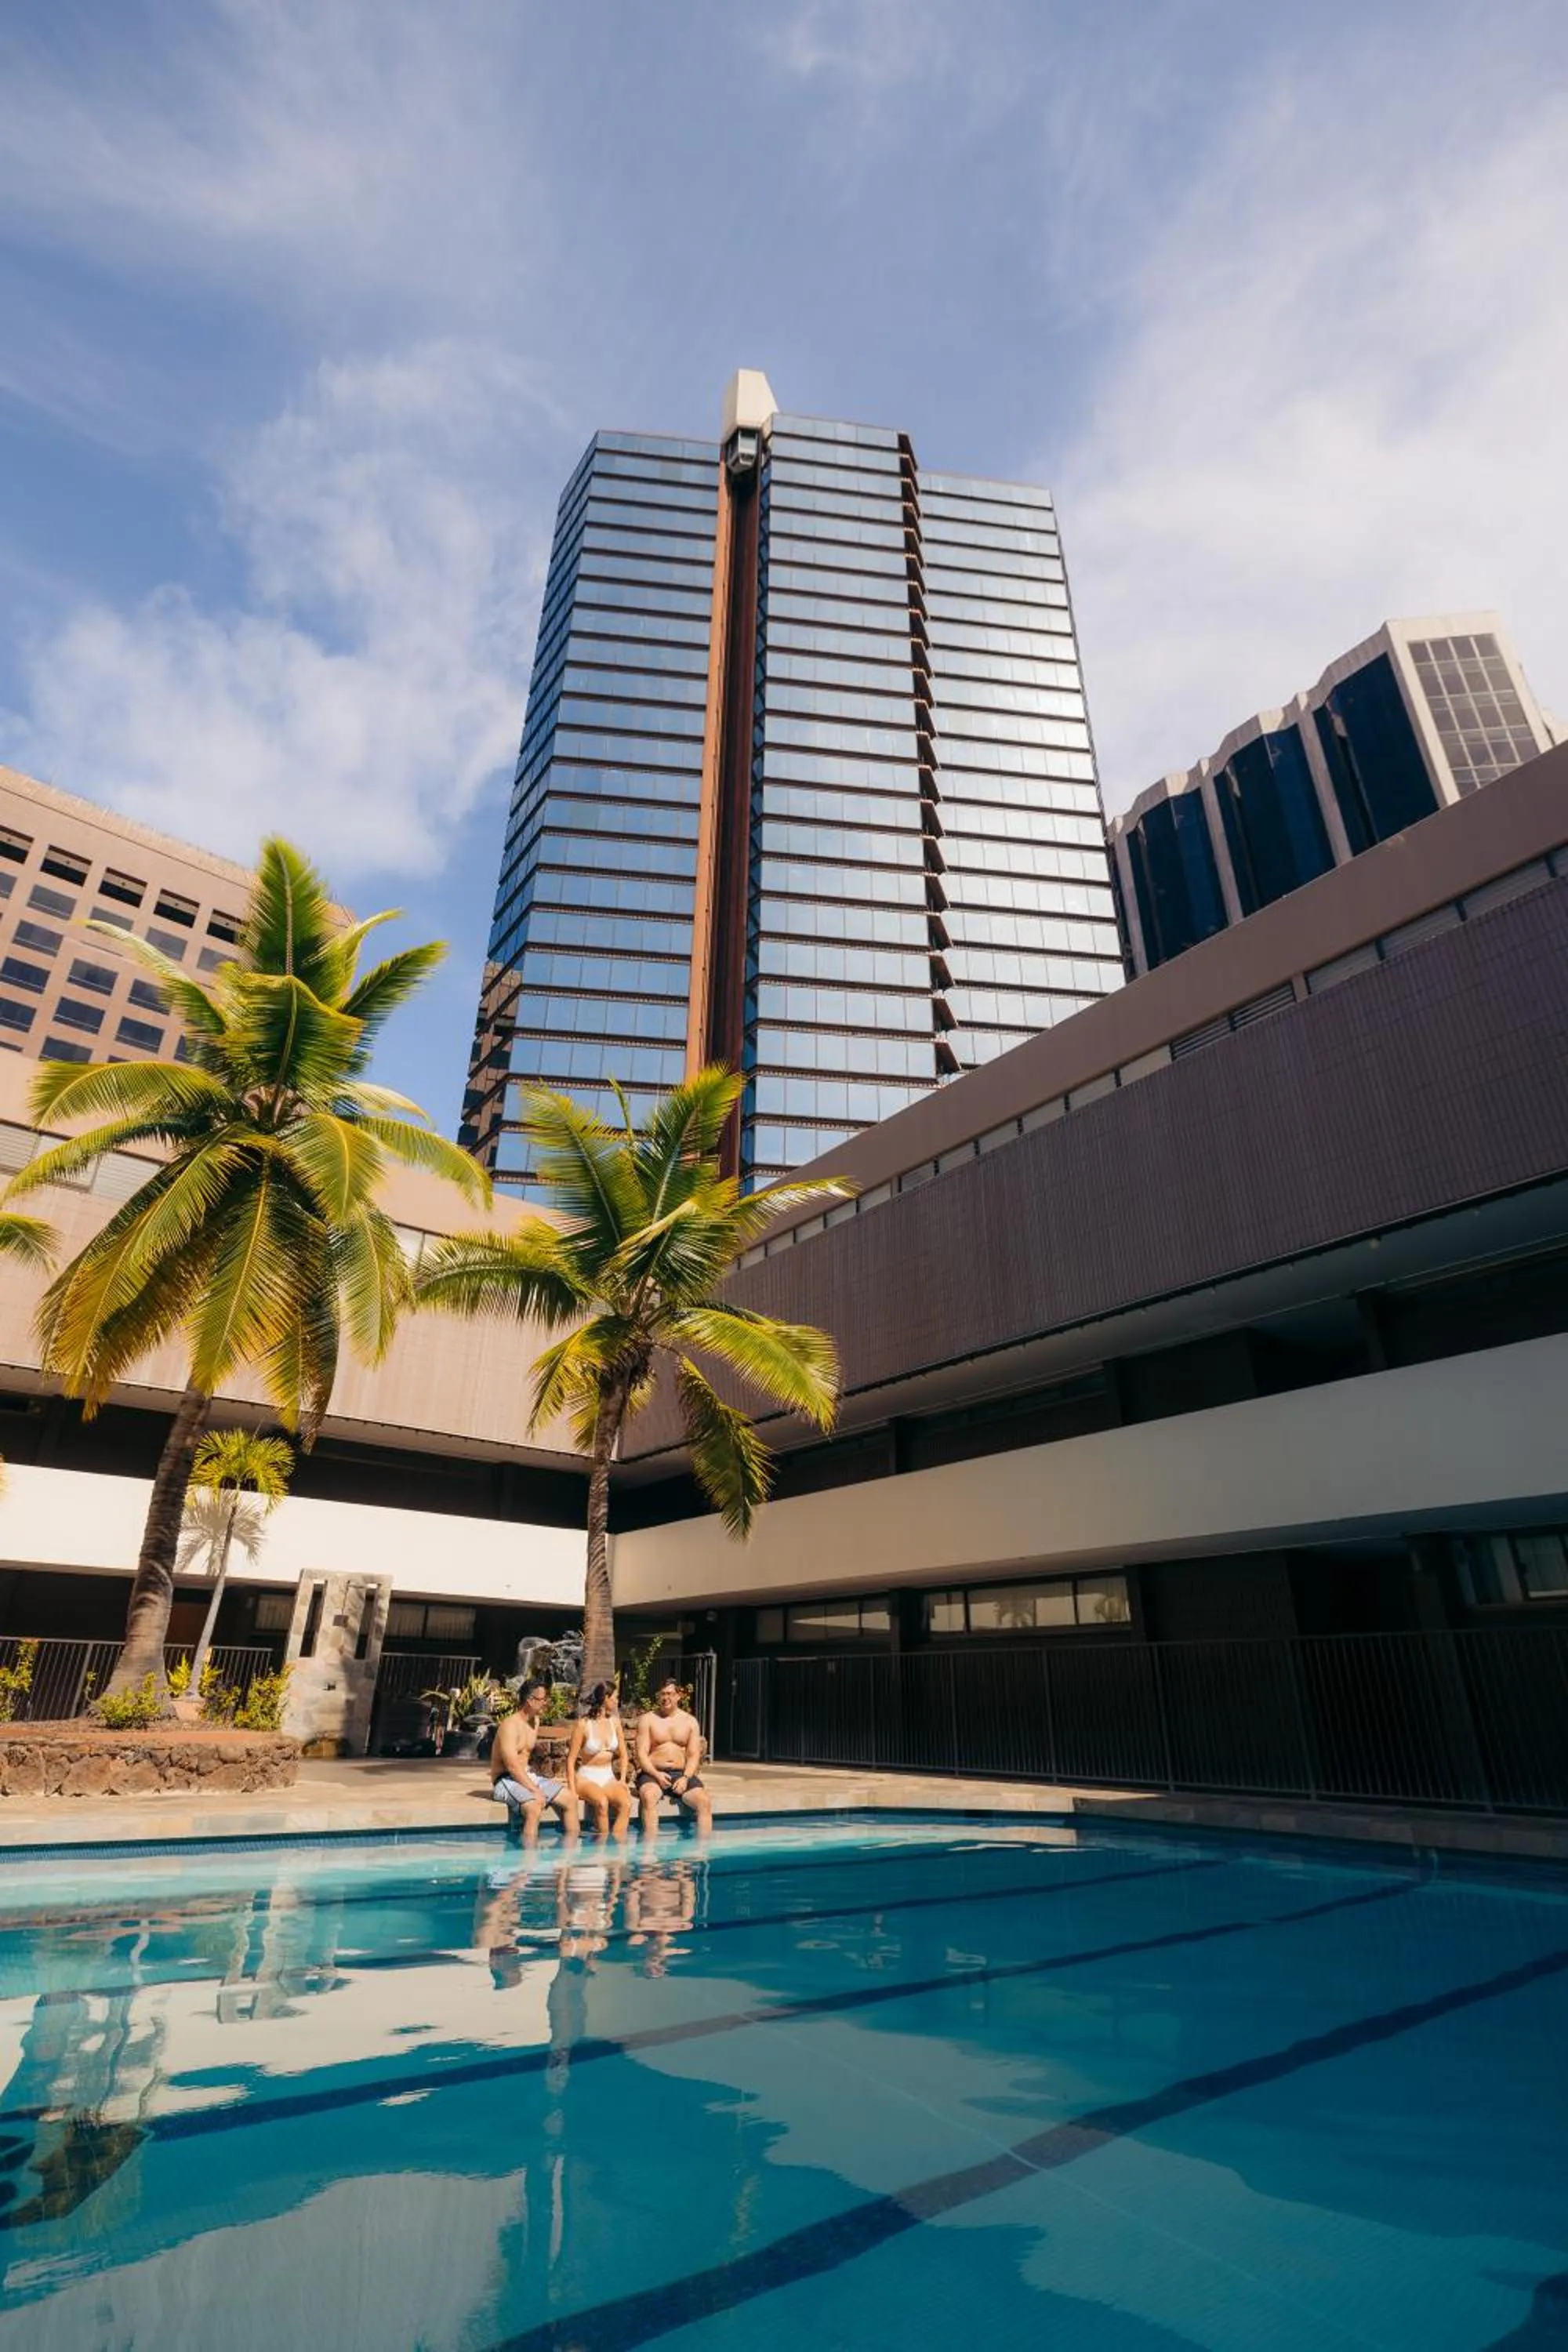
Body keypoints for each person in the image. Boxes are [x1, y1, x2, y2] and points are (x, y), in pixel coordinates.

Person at [490, 1681, 580, 1843]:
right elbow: (512, 1766)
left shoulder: (535, 1722)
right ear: (530, 1700)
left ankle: (569, 1855)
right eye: (542, 1699)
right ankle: (528, 1861)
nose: (545, 1702)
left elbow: (526, 1759)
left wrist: (538, 1785)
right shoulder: (509, 1725)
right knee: (533, 1807)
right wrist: (534, 1790)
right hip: (505, 1779)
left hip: (528, 1776)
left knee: (571, 1799)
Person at [635, 1678, 713, 1835]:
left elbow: (693, 1755)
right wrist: (656, 1774)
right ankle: (650, 1851)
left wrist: (685, 1778)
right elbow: (641, 1754)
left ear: (679, 1696)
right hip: (653, 1773)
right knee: (649, 1797)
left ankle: (702, 1852)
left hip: (681, 1774)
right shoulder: (648, 1719)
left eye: (670, 1694)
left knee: (704, 1802)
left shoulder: (690, 1722)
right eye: (662, 1694)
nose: (665, 1698)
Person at [567, 1682, 632, 1840]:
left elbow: (624, 1755)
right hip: (586, 1777)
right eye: (615, 1697)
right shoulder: (583, 1724)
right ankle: (602, 1849)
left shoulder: (615, 1722)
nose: (617, 1702)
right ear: (605, 1698)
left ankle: (616, 1846)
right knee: (602, 1803)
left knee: (626, 1804)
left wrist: (622, 1780)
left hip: (608, 1776)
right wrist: (573, 1791)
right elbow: (570, 1760)